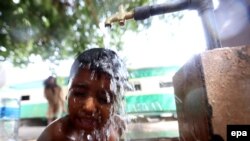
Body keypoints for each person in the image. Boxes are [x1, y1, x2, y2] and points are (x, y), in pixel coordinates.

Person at [38, 48, 129, 141]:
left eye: (104, 99)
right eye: (79, 93)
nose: (89, 107)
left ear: (115, 104)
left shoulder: (117, 126)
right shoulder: (55, 135)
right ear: (67, 94)